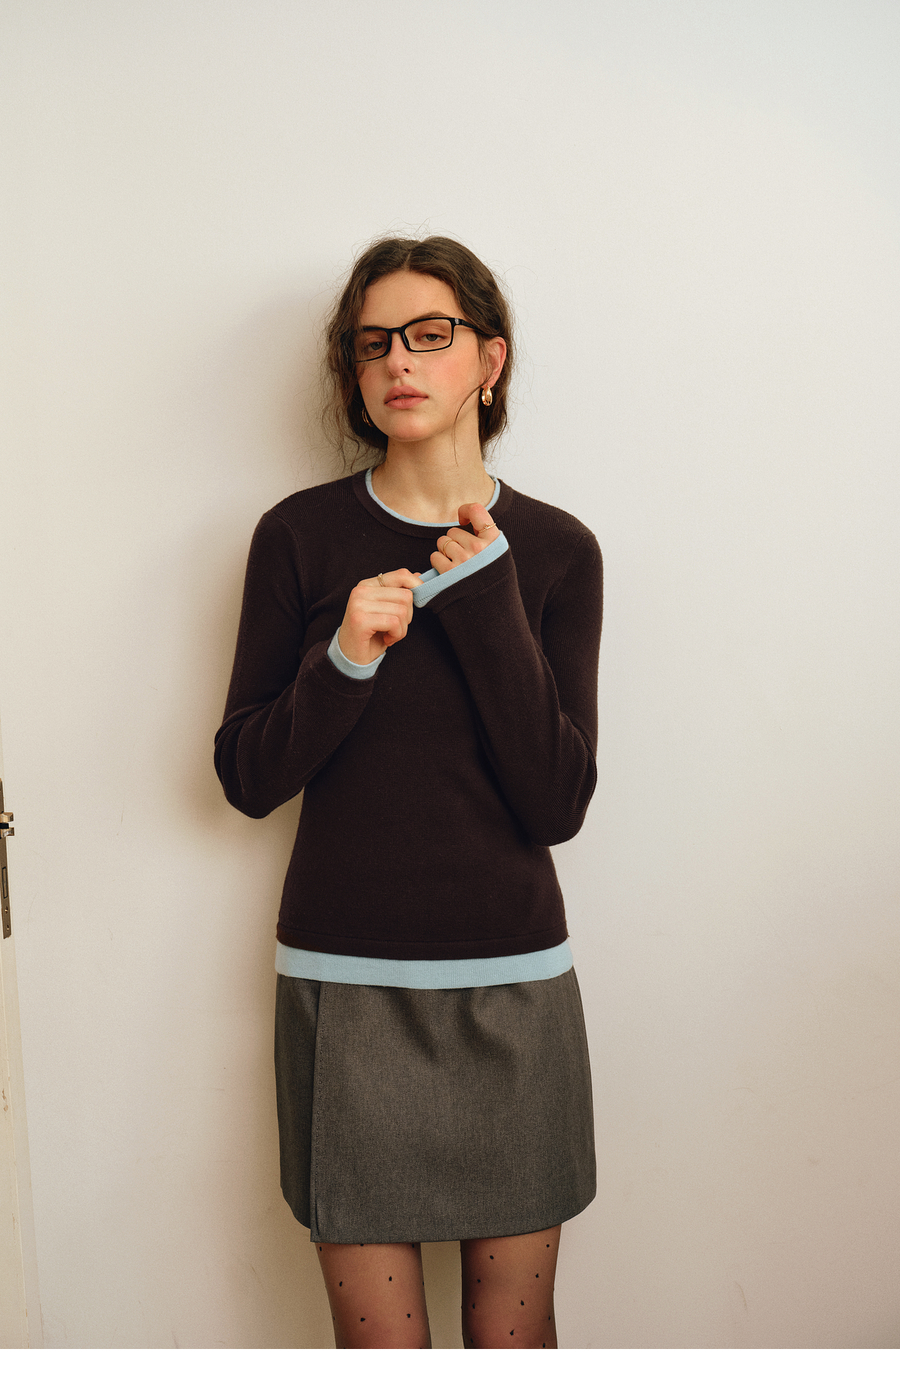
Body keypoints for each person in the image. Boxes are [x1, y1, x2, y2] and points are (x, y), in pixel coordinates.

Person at [214, 235, 603, 1348]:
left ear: (490, 359)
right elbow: (247, 776)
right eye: (373, 341)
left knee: (514, 1347)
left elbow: (556, 802)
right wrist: (342, 660)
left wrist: (484, 596)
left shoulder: (558, 551)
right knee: (380, 1357)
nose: (399, 361)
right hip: (345, 990)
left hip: (513, 987)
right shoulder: (299, 537)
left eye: (431, 335)